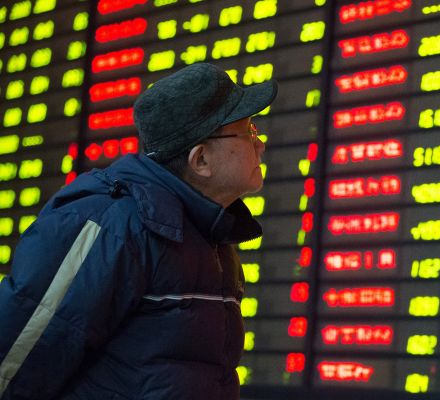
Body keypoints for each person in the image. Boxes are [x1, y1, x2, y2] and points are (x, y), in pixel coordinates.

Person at [0, 63, 277, 399]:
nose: (260, 145)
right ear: (200, 160)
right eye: (249, 132)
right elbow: (12, 365)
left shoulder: (209, 234)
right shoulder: (109, 225)